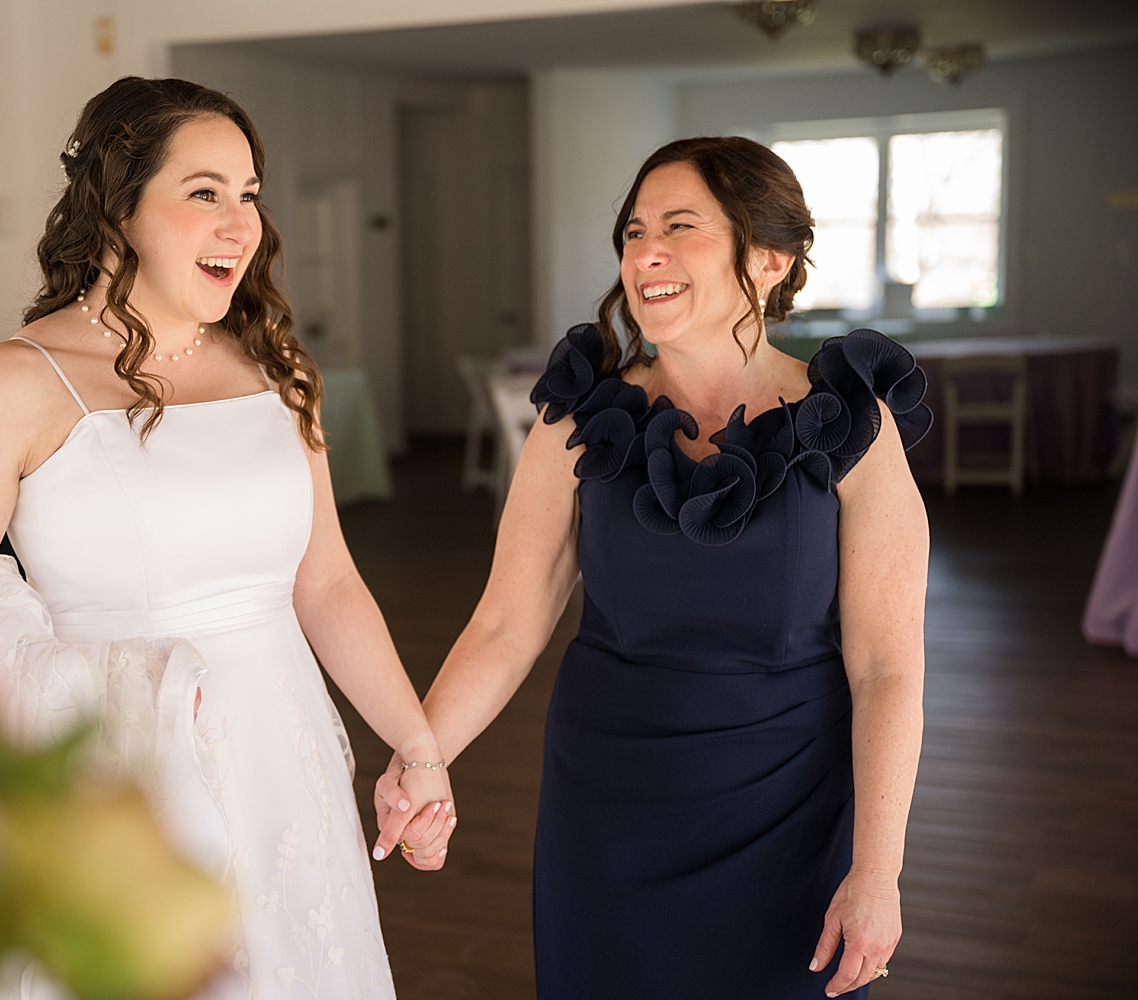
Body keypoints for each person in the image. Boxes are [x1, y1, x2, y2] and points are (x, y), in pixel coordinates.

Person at [0, 77, 453, 999]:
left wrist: (418, 752)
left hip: (285, 751)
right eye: (204, 194)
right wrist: (117, 691)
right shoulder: (13, 384)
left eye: (249, 195)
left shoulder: (278, 367)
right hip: (123, 778)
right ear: (117, 211)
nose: (243, 225)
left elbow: (327, 585)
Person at [374, 136, 931, 998]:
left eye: (680, 226)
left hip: (790, 810)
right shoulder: (581, 420)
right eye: (634, 232)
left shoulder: (849, 426)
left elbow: (889, 668)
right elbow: (505, 623)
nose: (645, 254)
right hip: (607, 809)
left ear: (769, 261)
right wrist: (420, 757)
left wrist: (878, 871)